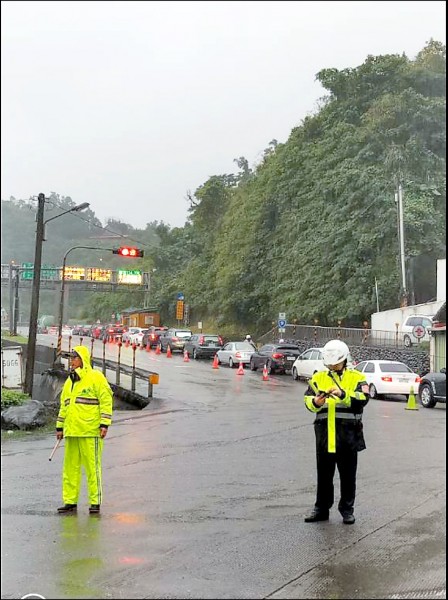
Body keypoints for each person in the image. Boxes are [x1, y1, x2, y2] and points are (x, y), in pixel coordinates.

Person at [303, 339, 369, 524]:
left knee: (348, 476)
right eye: (330, 362)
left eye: (336, 362)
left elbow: (362, 399)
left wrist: (342, 394)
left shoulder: (357, 377)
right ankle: (321, 509)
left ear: (344, 359)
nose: (333, 365)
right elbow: (308, 400)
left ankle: (347, 510)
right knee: (324, 475)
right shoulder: (318, 377)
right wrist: (316, 402)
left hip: (348, 436)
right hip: (324, 436)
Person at [55, 345, 113, 514]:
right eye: (71, 358)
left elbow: (106, 400)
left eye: (74, 357)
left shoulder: (96, 377)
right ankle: (70, 501)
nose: (71, 361)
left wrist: (104, 424)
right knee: (70, 468)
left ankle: (95, 502)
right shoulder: (69, 382)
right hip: (72, 432)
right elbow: (64, 406)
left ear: (82, 359)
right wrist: (60, 427)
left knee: (92, 468)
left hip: (90, 431)